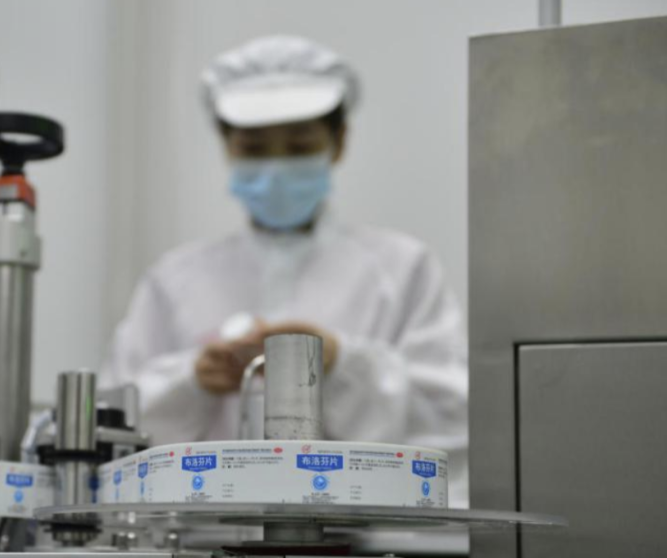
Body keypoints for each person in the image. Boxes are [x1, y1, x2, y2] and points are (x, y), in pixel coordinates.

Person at [100, 36, 469, 504]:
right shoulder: (173, 281)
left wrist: (341, 364)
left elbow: (451, 425)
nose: (275, 169)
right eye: (254, 149)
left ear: (339, 142)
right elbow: (112, 427)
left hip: (365, 537)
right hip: (202, 538)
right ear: (226, 148)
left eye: (298, 146)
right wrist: (192, 381)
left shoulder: (402, 269)